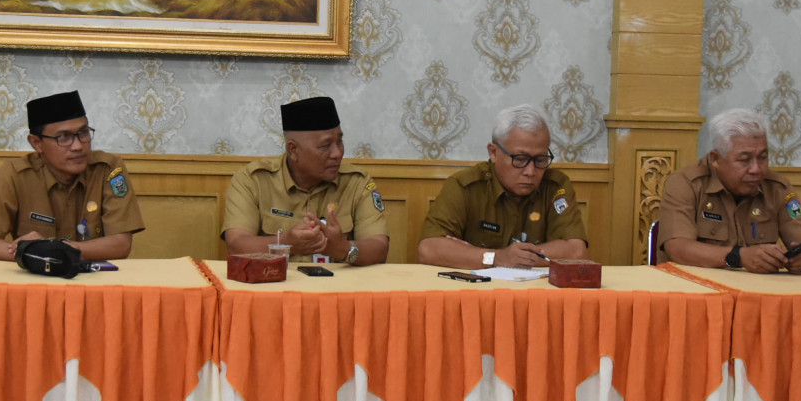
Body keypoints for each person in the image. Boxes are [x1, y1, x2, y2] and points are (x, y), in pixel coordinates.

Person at [0, 91, 145, 262]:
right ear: (37, 143)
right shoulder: (16, 174)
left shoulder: (108, 169)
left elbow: (120, 244)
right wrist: (29, 252)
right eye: (64, 137)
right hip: (35, 280)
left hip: (94, 281)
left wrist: (55, 249)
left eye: (83, 133)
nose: (77, 146)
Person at [221, 96, 388, 265]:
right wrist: (286, 243)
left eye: (340, 142)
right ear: (293, 150)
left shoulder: (358, 182)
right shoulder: (252, 181)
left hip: (338, 288)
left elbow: (379, 248)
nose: (337, 153)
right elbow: (236, 245)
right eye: (325, 146)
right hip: (273, 286)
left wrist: (344, 249)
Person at [658, 108, 801, 274]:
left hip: (759, 294)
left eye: (762, 157)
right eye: (744, 160)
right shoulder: (685, 183)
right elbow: (677, 248)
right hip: (698, 291)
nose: (756, 169)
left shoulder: (777, 188)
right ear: (716, 159)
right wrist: (738, 257)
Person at [418, 104, 587, 269]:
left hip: (536, 291)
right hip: (476, 292)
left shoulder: (556, 186)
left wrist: (521, 258)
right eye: (520, 159)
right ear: (494, 153)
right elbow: (429, 249)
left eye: (540, 160)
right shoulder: (465, 186)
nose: (531, 171)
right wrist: (497, 257)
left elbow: (575, 250)